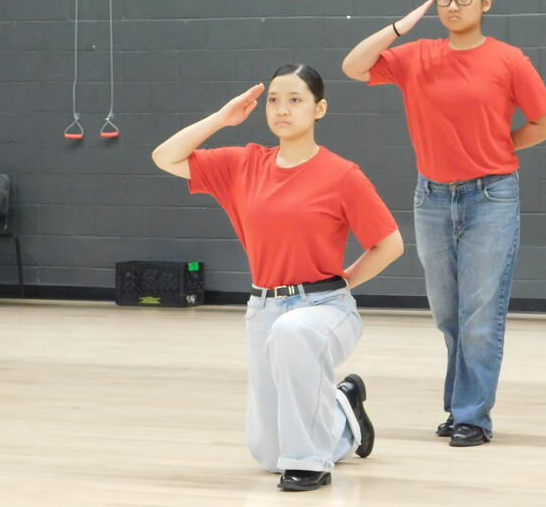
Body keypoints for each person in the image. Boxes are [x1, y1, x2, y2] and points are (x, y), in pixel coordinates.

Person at [151, 64, 404, 492]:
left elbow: (390, 244)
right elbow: (165, 157)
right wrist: (222, 118)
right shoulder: (243, 164)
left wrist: (343, 284)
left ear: (319, 109)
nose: (281, 109)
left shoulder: (343, 175)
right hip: (264, 308)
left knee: (294, 334)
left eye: (294, 100)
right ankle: (343, 411)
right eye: (273, 100)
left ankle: (310, 465)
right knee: (269, 454)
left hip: (325, 308)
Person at [341, 0, 546, 447]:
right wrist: (399, 27)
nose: (453, 5)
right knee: (448, 313)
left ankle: (472, 417)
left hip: (491, 197)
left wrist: (498, 146)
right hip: (433, 197)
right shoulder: (416, 55)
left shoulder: (509, 60)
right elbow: (353, 67)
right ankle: (460, 406)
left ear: (486, 2)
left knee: (481, 312)